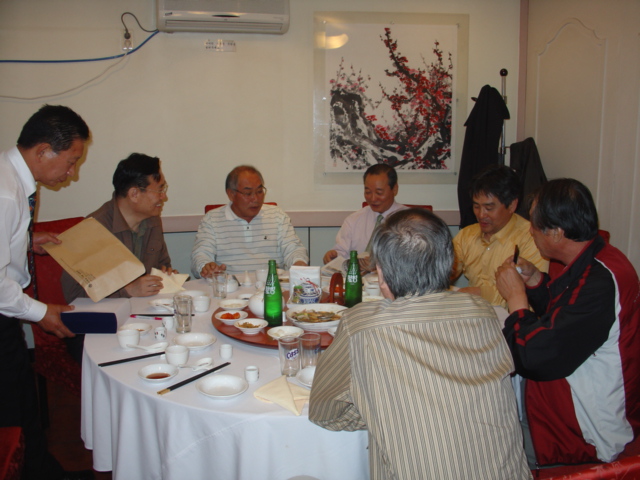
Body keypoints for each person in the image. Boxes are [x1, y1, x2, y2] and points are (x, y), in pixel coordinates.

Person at [310, 208, 531, 480]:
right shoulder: (483, 312)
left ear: (381, 276)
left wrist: (381, 410)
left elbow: (324, 411)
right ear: (449, 264)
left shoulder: (361, 325)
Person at [496, 178, 640, 467]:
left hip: (585, 432)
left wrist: (516, 298)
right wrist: (536, 281)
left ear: (557, 232)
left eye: (535, 224)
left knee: (489, 446)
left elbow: (533, 356)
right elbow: (566, 317)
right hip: (563, 408)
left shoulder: (600, 283)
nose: (530, 230)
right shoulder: (596, 259)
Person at [0, 105, 94, 480]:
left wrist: (27, 240)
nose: (72, 173)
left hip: (7, 315)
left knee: (24, 406)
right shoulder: (6, 194)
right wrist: (42, 313)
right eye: (70, 162)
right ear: (43, 151)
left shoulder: (12, 180)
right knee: (12, 414)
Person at [61, 153, 175, 303]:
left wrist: (166, 274)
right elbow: (73, 293)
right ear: (134, 194)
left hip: (145, 308)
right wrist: (127, 290)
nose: (163, 196)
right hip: (107, 314)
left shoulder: (152, 220)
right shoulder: (93, 229)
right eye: (159, 190)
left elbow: (163, 264)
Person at [452, 164, 548, 307]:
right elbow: (445, 272)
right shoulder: (467, 235)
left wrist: (479, 294)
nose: (481, 215)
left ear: (512, 205)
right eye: (476, 206)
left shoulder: (531, 237)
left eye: (489, 208)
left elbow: (532, 295)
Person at [191, 165, 308, 277]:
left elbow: (293, 248)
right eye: (248, 193)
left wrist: (298, 262)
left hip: (271, 285)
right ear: (231, 194)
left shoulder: (277, 216)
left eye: (259, 191)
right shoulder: (212, 220)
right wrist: (206, 267)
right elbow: (201, 254)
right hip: (230, 286)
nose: (255, 199)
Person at [322, 164, 406, 268]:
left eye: (379, 193)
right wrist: (334, 255)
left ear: (395, 189)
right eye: (368, 192)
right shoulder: (354, 219)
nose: (373, 198)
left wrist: (380, 266)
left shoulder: (410, 221)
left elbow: (412, 261)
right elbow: (341, 252)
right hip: (357, 277)